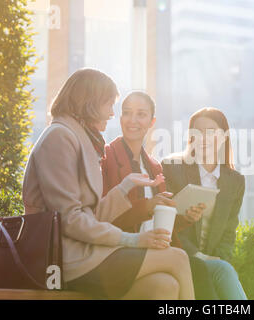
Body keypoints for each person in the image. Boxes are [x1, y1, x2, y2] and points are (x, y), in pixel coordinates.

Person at [22, 68, 195, 300]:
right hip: (64, 258)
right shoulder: (59, 137)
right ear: (90, 103)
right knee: (177, 258)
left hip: (83, 252)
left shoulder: (80, 139)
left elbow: (88, 216)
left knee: (163, 286)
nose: (112, 114)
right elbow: (69, 220)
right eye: (108, 105)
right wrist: (133, 240)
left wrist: (124, 187)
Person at [101, 91, 218, 299]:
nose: (133, 120)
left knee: (187, 275)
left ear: (151, 121)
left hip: (155, 248)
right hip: (124, 248)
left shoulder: (154, 166)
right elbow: (103, 216)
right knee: (180, 273)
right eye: (127, 113)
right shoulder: (107, 157)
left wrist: (185, 217)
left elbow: (160, 217)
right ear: (120, 118)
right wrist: (147, 206)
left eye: (141, 114)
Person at [162, 107, 247, 300]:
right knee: (222, 273)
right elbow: (166, 221)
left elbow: (229, 231)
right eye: (197, 132)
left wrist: (219, 258)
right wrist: (199, 256)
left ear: (224, 136)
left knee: (221, 274)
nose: (204, 138)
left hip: (215, 261)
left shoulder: (235, 181)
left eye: (211, 132)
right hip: (182, 254)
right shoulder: (173, 169)